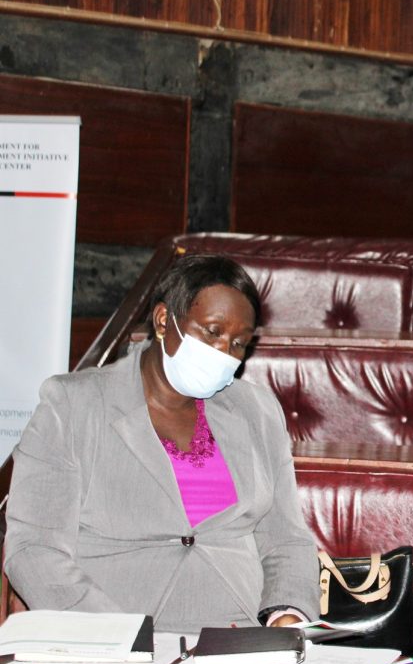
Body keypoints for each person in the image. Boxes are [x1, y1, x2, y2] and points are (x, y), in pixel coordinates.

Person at [4, 254, 320, 633]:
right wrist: (117, 635)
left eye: (239, 343)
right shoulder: (74, 405)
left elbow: (286, 538)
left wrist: (288, 614)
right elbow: (35, 550)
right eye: (212, 331)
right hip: (115, 640)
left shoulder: (256, 409)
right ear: (163, 321)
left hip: (237, 638)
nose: (223, 353)